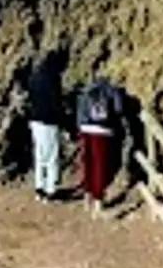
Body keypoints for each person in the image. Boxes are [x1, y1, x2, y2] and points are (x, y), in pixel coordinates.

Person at [72, 75, 128, 205]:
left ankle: (87, 193)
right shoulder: (111, 90)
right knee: (100, 164)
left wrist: (79, 128)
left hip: (86, 129)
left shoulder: (86, 91)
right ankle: (98, 197)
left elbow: (80, 112)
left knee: (87, 162)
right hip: (103, 131)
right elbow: (118, 109)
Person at [18, 62, 70, 199]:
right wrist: (63, 120)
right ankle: (50, 189)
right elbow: (56, 102)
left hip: (35, 121)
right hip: (50, 122)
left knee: (39, 154)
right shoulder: (53, 80)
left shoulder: (33, 80)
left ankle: (39, 187)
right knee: (52, 156)